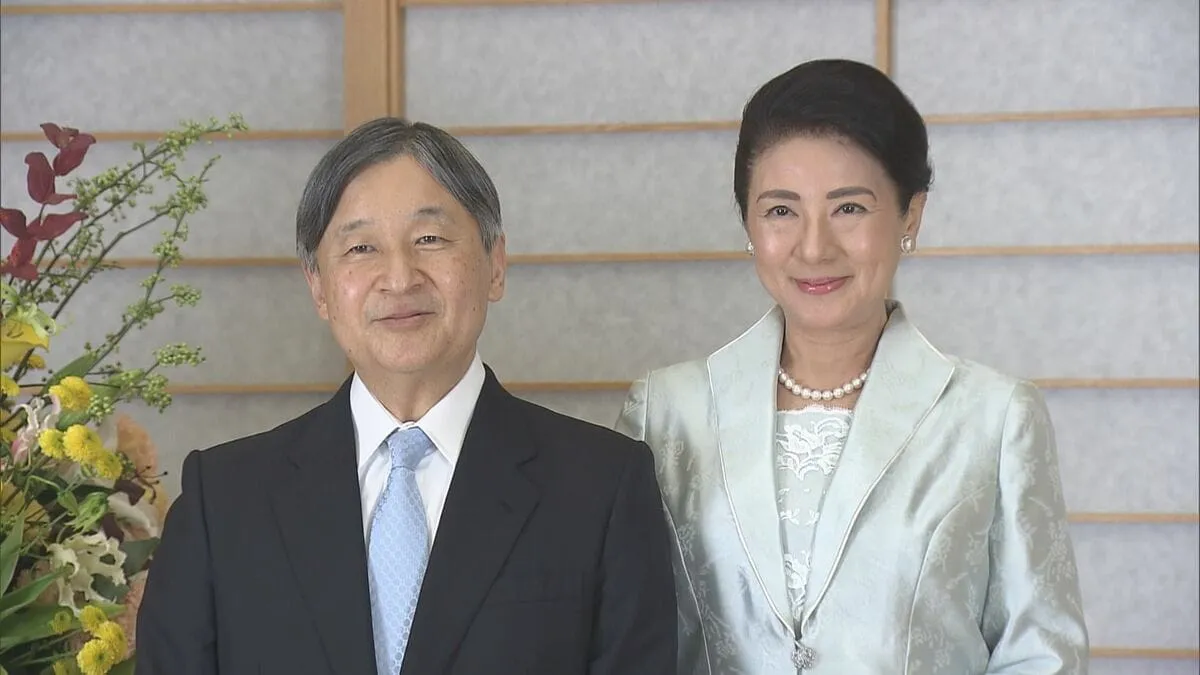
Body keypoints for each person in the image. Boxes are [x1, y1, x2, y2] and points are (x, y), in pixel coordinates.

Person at [136, 117, 678, 675]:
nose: (399, 278)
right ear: (318, 287)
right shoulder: (223, 502)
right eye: (361, 247)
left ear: (495, 264)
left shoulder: (602, 489)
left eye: (429, 240)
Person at [615, 59, 1089, 674]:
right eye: (781, 211)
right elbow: (623, 641)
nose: (814, 248)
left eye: (849, 209)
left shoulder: (995, 419)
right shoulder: (664, 412)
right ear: (748, 223)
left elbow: (1041, 655)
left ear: (910, 215)